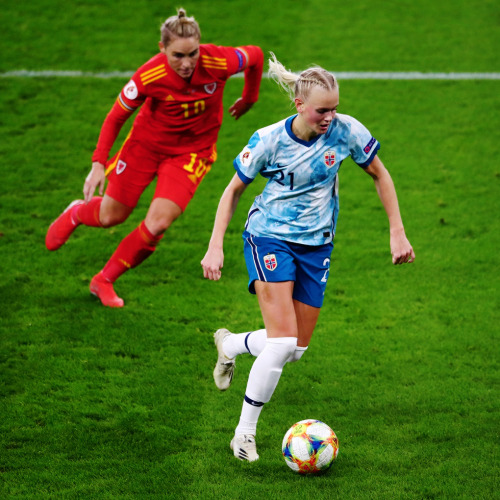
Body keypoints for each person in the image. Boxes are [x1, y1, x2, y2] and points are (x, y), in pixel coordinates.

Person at [201, 53, 415, 462]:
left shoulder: (346, 131)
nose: (329, 117)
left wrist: (397, 231)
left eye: (334, 109)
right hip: (269, 238)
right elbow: (232, 191)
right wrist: (215, 245)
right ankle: (243, 435)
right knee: (282, 342)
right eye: (321, 110)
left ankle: (231, 344)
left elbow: (380, 174)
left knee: (295, 348)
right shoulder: (268, 140)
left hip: (317, 245)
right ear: (299, 105)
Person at [45, 8, 264, 307]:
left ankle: (103, 280)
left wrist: (250, 97)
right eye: (178, 56)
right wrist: (98, 163)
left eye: (193, 54)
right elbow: (115, 118)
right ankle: (76, 212)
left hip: (191, 153)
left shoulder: (220, 60)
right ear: (162, 49)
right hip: (145, 147)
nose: (187, 64)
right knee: (112, 216)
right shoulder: (150, 75)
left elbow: (255, 56)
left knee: (159, 223)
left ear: (201, 45)